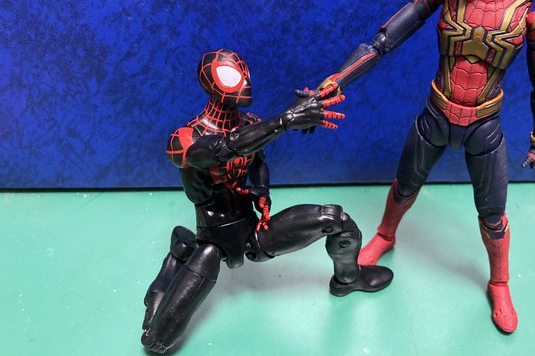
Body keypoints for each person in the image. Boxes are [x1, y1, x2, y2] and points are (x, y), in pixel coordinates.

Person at [313, 0, 535, 333]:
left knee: (493, 214)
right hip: (437, 113)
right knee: (404, 184)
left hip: (484, 125)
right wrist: (340, 77)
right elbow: (382, 42)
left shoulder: (530, 19)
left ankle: (499, 282)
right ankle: (385, 235)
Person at [141, 49, 393, 353]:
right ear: (210, 82)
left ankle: (348, 279)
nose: (244, 84)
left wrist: (262, 192)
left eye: (244, 75)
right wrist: (285, 120)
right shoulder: (184, 138)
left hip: (253, 230)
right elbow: (224, 148)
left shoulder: (251, 123)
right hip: (213, 238)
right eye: (231, 76)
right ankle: (176, 259)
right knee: (157, 339)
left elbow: (257, 160)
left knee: (336, 219)